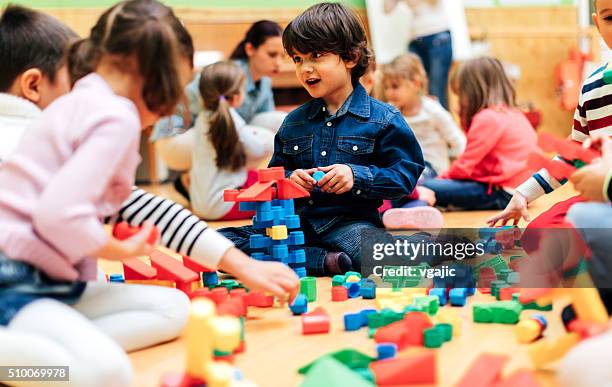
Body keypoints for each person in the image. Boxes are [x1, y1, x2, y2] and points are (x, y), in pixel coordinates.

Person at [0, 3, 297, 386]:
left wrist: (241, 265)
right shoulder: (115, 116)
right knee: (106, 373)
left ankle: (55, 350)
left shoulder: (84, 100)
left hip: (53, 285)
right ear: (157, 81)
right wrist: (112, 249)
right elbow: (57, 216)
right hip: (16, 283)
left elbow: (141, 208)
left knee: (172, 308)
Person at [219, 2, 425, 276]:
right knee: (219, 244)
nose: (305, 68)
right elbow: (274, 175)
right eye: (297, 59)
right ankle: (325, 261)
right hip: (296, 225)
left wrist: (356, 175)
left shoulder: (383, 118)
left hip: (349, 225)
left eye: (316, 55)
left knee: (383, 259)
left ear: (351, 57)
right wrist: (290, 179)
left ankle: (319, 260)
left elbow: (405, 175)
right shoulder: (293, 122)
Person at [153, 20, 287, 199]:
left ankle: (194, 181)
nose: (279, 63)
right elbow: (195, 112)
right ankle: (212, 183)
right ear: (250, 50)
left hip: (206, 137)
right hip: (175, 140)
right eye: (272, 55)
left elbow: (265, 129)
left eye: (282, 56)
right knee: (252, 138)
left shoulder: (264, 83)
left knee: (278, 123)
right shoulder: (226, 75)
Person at [419, 56, 538, 211]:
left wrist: (441, 178)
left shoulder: (487, 118)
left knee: (426, 185)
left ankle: (419, 202)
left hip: (503, 193)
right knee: (429, 185)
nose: (459, 101)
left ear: (472, 92)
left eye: (460, 94)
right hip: (521, 190)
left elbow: (465, 166)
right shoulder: (511, 113)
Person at [190, 61, 273, 220]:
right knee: (272, 184)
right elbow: (258, 149)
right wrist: (269, 140)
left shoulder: (203, 118)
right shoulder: (231, 120)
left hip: (200, 206)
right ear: (235, 97)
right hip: (224, 206)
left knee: (252, 175)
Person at [382, 53, 465, 178]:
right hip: (405, 168)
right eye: (386, 87)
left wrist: (458, 171)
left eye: (395, 86)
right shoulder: (389, 113)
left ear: (415, 83)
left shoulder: (432, 110)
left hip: (433, 169)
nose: (389, 92)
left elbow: (458, 140)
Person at [384, 0, 453, 109]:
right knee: (412, 90)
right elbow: (387, 9)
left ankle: (440, 124)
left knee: (436, 91)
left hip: (437, 34)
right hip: (415, 39)